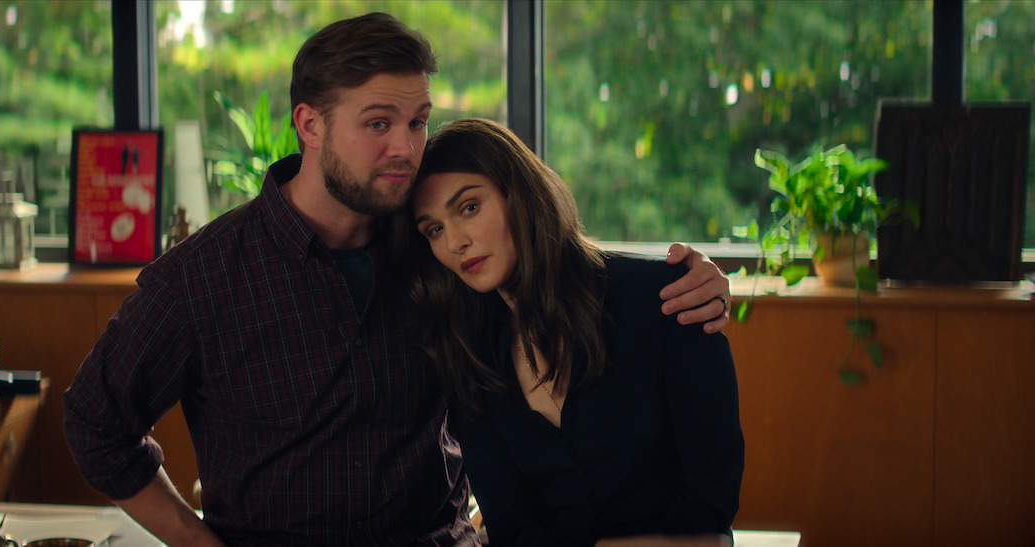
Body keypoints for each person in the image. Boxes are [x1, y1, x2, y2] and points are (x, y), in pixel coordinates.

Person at [63, 13, 732, 546]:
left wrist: (689, 280)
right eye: (378, 123)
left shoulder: (435, 250)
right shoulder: (205, 275)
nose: (406, 148)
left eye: (417, 122)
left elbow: (542, 260)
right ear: (310, 125)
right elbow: (95, 422)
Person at [399, 118, 743, 547]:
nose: (454, 242)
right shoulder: (471, 356)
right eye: (434, 229)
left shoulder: (668, 299)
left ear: (519, 193)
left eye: (469, 207)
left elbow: (710, 503)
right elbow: (512, 527)